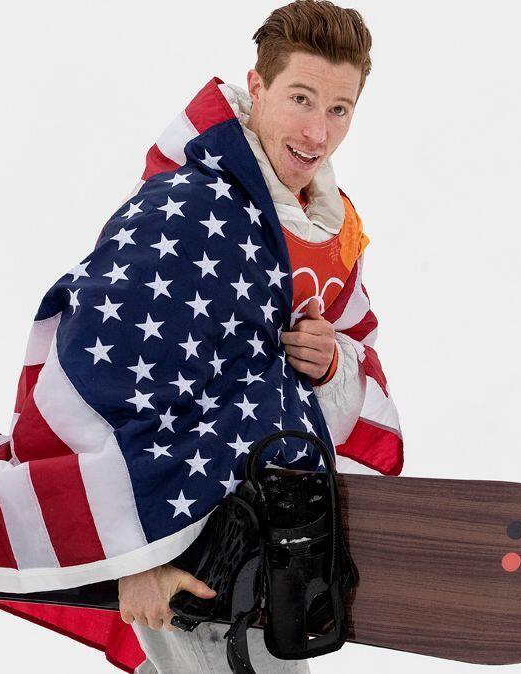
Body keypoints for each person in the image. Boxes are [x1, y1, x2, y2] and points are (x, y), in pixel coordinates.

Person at [117, 2, 388, 671]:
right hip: (185, 541)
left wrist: (330, 365)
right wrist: (136, 556)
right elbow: (111, 380)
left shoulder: (330, 236)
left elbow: (357, 356)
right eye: (301, 98)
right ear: (257, 87)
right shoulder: (189, 206)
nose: (317, 130)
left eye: (339, 109)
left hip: (277, 544)